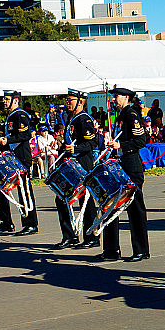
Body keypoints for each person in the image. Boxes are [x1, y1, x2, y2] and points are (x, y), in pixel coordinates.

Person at [97, 87, 150, 262]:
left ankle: (141, 250)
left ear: (126, 97)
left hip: (131, 167)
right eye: (113, 96)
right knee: (110, 206)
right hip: (119, 167)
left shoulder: (131, 114)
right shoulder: (119, 115)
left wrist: (122, 146)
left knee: (135, 210)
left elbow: (141, 141)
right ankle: (111, 249)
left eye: (116, 96)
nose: (113, 99)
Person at [52, 90, 100, 250]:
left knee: (86, 201)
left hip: (82, 165)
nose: (67, 103)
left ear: (80, 102)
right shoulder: (71, 119)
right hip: (71, 166)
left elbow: (92, 144)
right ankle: (70, 236)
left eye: (70, 100)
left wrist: (76, 149)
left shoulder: (84, 119)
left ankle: (91, 236)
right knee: (62, 198)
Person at [0, 90, 39, 236]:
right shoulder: (10, 116)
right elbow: (12, 136)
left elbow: (25, 135)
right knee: (0, 188)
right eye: (3, 99)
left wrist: (7, 140)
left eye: (6, 99)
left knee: (24, 192)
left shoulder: (20, 114)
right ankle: (6, 223)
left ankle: (31, 224)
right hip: (11, 158)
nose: (4, 101)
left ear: (15, 101)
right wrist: (0, 146)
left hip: (22, 158)